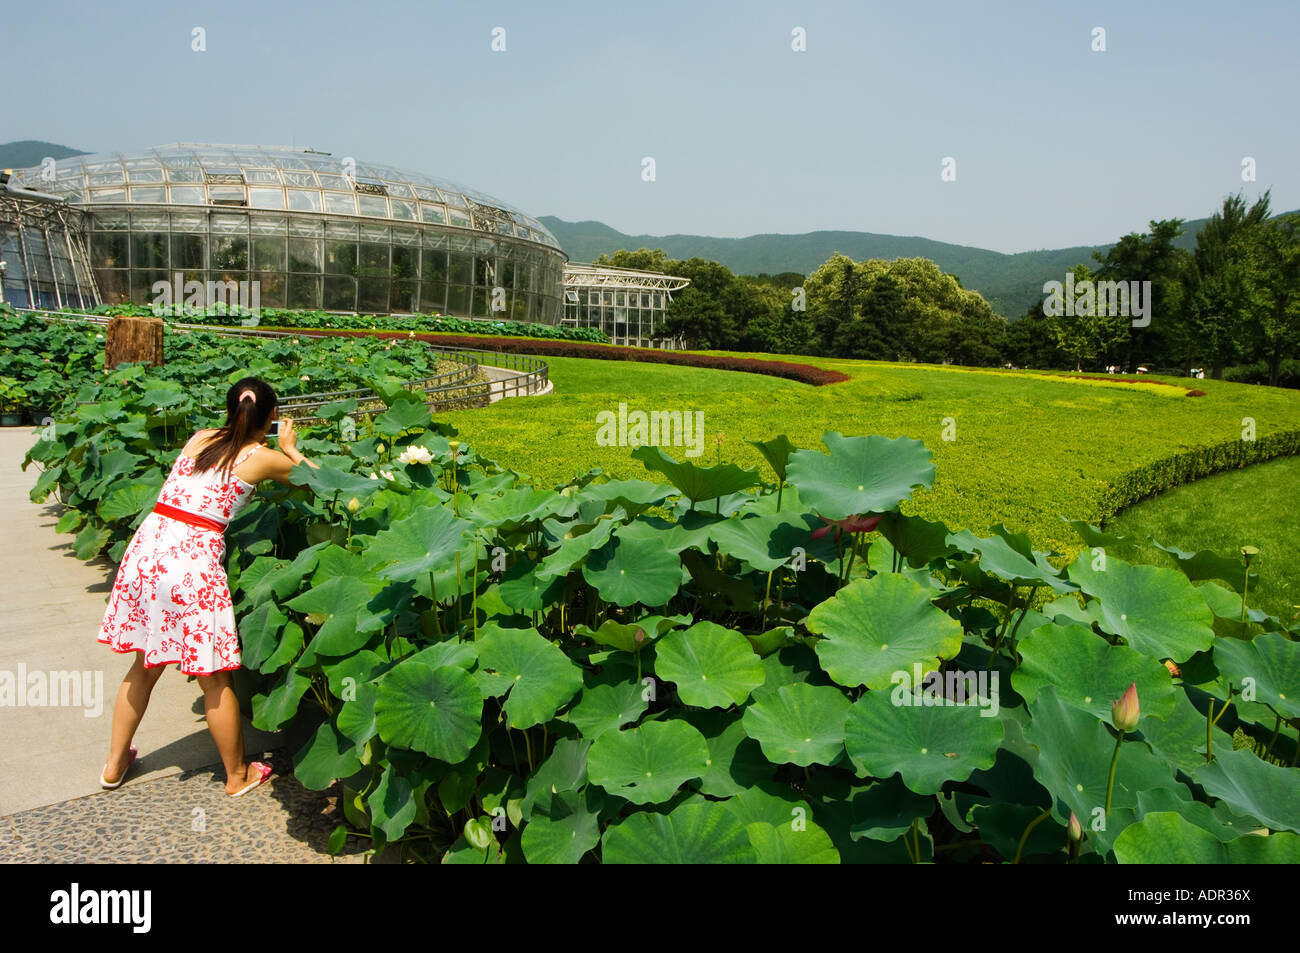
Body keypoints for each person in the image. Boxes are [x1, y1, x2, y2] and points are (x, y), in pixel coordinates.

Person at [96, 377, 319, 796]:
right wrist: (290, 448)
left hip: (148, 550)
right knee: (214, 679)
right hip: (190, 562)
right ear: (271, 416)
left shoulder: (199, 439)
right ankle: (237, 776)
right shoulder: (263, 457)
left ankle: (112, 765)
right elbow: (323, 483)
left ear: (230, 407)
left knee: (146, 665)